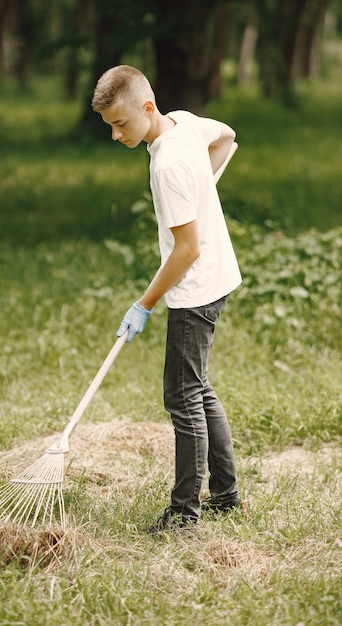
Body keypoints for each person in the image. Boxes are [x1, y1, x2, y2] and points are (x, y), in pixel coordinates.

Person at [92, 65, 244, 532]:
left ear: (147, 107)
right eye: (110, 127)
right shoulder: (183, 123)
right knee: (197, 388)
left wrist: (145, 303)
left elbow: (187, 249)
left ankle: (184, 513)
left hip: (195, 288)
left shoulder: (166, 165)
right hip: (218, 275)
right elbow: (227, 135)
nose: (117, 136)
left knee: (182, 397)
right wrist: (206, 182)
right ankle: (226, 495)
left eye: (122, 124)